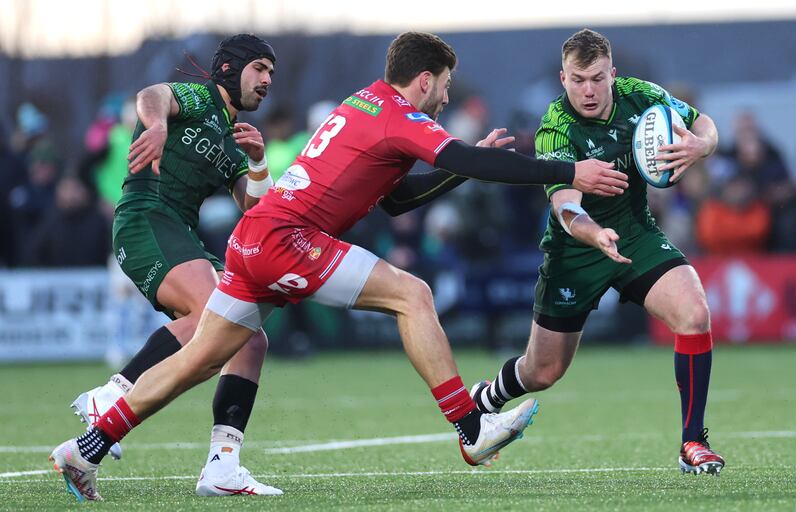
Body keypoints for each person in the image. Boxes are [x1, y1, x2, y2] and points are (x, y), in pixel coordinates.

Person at [50, 31, 629, 501]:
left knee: (197, 359)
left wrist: (465, 167)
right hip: (286, 239)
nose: (446, 99)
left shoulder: (364, 102)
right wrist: (567, 171)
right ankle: (471, 427)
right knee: (413, 295)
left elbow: (399, 197)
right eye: (445, 86)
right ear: (425, 80)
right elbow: (463, 156)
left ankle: (86, 449)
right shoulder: (399, 114)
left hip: (255, 237)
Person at [470, 28, 725, 475]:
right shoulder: (556, 127)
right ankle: (487, 397)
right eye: (577, 80)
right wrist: (594, 234)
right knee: (544, 371)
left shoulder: (641, 95)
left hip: (635, 233)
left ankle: (693, 442)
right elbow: (565, 208)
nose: (587, 90)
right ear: (563, 79)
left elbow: (703, 122)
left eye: (597, 78)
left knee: (694, 314)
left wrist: (700, 145)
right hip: (574, 251)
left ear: (613, 74)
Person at [62, 33, 283, 498]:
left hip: (179, 231)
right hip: (146, 216)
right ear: (229, 68)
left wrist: (259, 163)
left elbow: (254, 208)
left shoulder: (234, 137)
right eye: (260, 68)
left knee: (248, 335)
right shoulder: (200, 98)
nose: (267, 80)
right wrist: (158, 126)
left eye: (271, 73)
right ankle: (113, 393)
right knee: (214, 316)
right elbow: (152, 95)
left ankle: (222, 466)